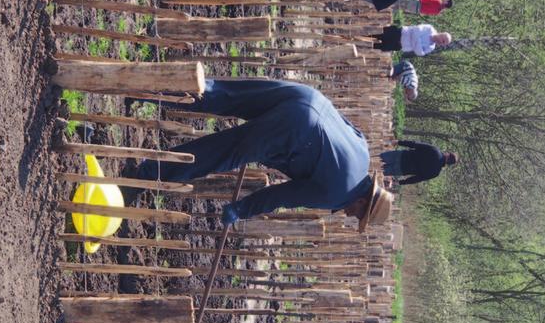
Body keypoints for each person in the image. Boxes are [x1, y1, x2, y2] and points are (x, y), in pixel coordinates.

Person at [130, 79, 393, 231]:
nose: (349, 216)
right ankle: (147, 173)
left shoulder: (363, 151)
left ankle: (143, 85)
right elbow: (282, 195)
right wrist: (240, 209)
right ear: (363, 201)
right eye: (358, 215)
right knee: (223, 152)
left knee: (223, 95)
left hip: (308, 97)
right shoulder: (337, 193)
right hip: (295, 129)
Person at [380, 140, 458, 185]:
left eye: (448, 153)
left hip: (401, 156)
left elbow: (415, 144)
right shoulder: (435, 172)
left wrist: (399, 142)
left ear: (448, 156)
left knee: (377, 159)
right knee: (378, 171)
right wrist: (400, 182)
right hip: (402, 169)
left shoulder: (435, 150)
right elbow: (417, 179)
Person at [369, 24, 452, 56]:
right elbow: (416, 30)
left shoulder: (431, 47)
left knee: (371, 46)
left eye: (443, 44)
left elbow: (419, 53)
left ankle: (357, 45)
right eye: (443, 40)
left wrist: (417, 39)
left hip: (397, 45)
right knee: (372, 34)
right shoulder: (429, 28)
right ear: (442, 34)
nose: (441, 43)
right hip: (397, 33)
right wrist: (416, 44)